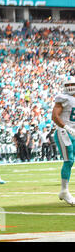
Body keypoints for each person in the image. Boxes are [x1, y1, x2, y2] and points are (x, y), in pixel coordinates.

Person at [51, 78, 75, 206]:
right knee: (69, 160)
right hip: (64, 132)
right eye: (68, 85)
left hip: (73, 132)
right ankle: (64, 190)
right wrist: (66, 127)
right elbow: (54, 116)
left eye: (72, 84)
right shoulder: (63, 98)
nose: (70, 87)